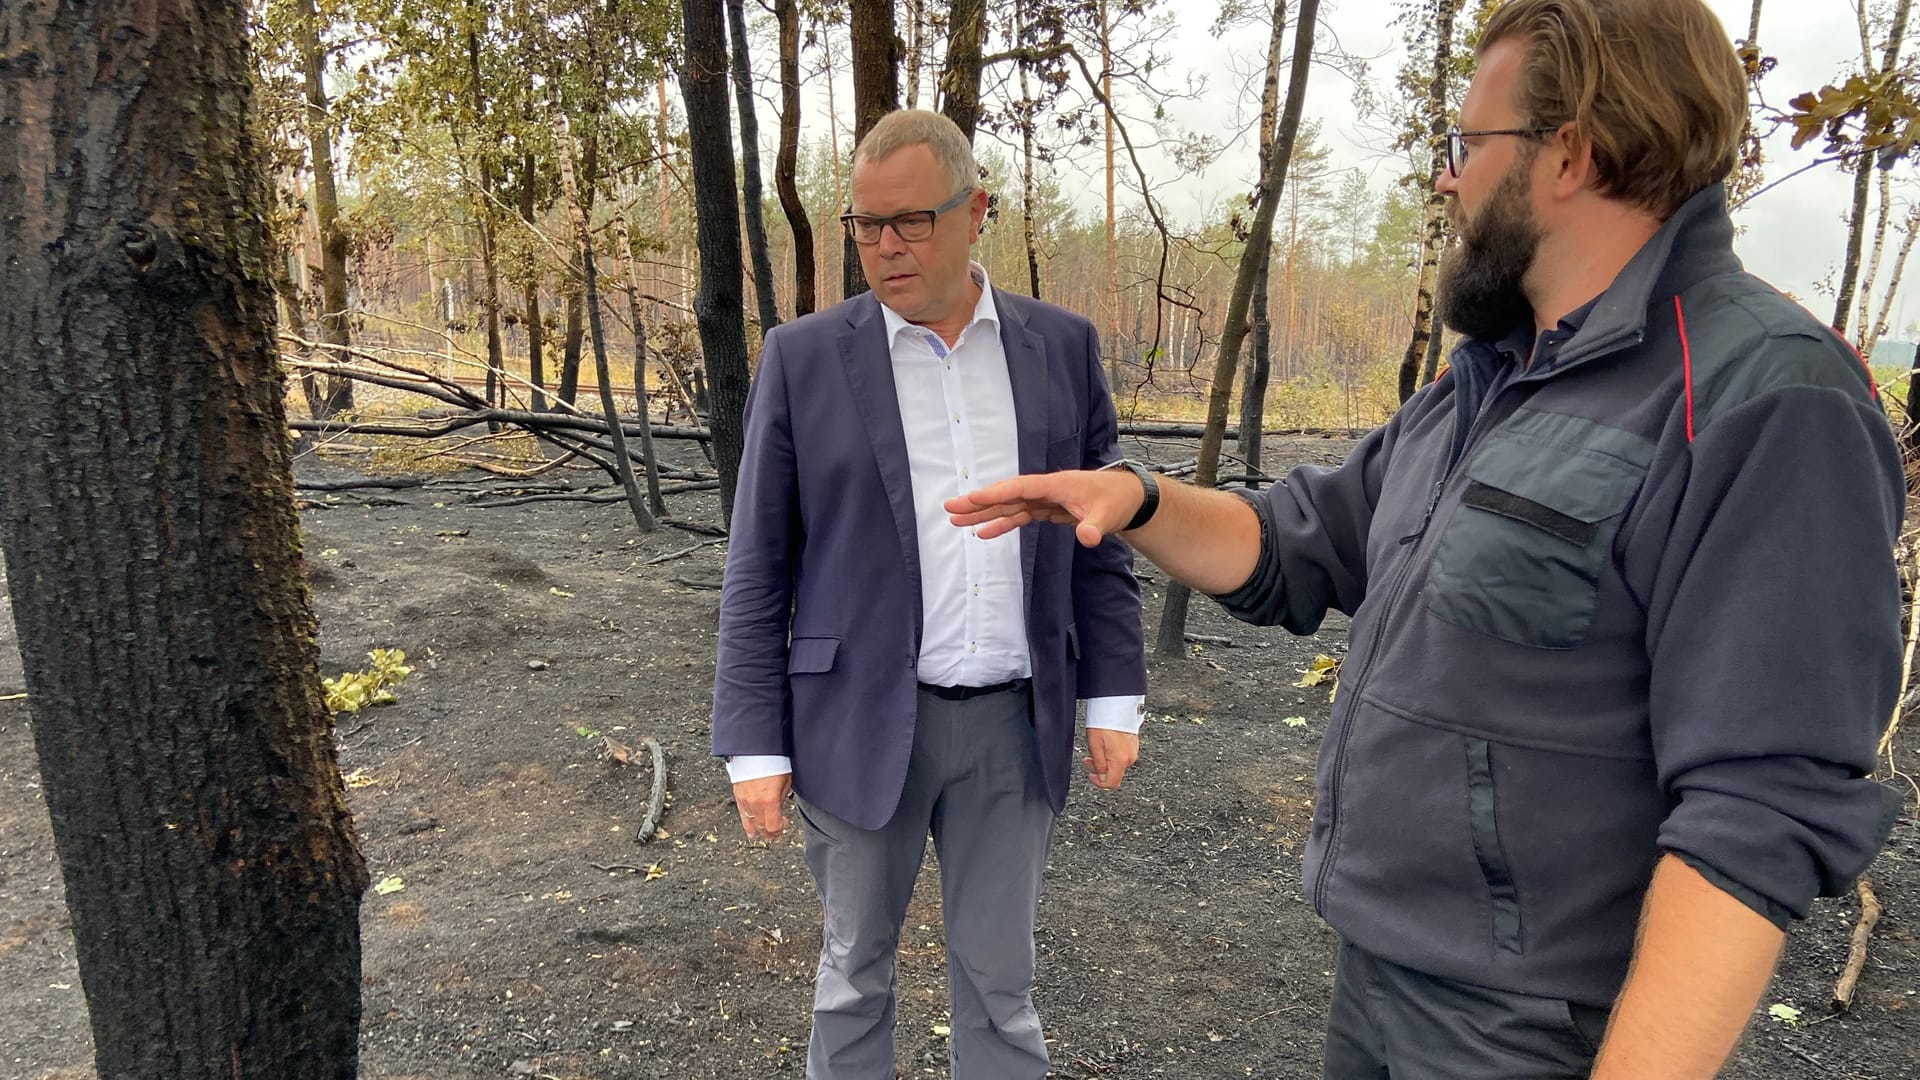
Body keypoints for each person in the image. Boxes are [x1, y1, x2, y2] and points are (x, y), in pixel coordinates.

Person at [947, 2, 1905, 1076]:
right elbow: (1293, 542)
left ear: (1571, 153)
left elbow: (1760, 808)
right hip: (1385, 982)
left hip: (1544, 1029)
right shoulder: (1488, 380)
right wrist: (1137, 499)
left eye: (1463, 146)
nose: (1444, 180)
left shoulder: (1762, 397)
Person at [711, 109, 1148, 1080]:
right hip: (859, 717)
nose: (886, 246)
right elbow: (757, 565)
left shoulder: (1060, 349)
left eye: (911, 220)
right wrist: (753, 740)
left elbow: (1100, 534)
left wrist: (1113, 693)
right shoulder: (804, 359)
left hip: (1010, 724)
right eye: (866, 226)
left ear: (975, 210)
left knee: (1001, 982)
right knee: (853, 974)